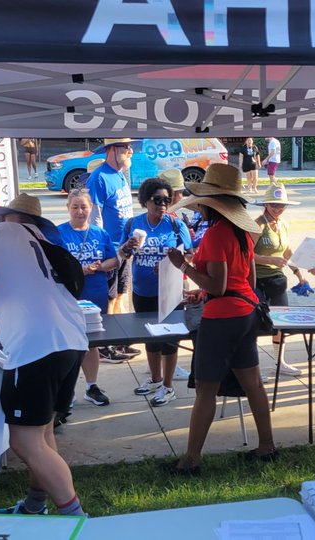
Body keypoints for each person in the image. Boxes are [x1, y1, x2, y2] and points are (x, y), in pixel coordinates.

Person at [0, 196, 89, 517]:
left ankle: (77, 520)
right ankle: (36, 506)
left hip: (35, 349)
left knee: (25, 442)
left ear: (7, 217)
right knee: (43, 433)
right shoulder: (42, 242)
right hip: (71, 341)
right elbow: (24, 309)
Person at [164, 163, 276, 473]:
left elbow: (218, 284)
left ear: (212, 203)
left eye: (202, 200)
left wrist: (183, 266)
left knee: (205, 389)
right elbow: (248, 281)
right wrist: (209, 291)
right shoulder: (242, 233)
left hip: (223, 317)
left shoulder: (215, 235)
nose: (198, 204)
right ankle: (267, 446)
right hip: (246, 312)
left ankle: (190, 459)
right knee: (253, 383)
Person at [120, 177, 194, 406]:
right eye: (157, 199)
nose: (163, 204)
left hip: (170, 293)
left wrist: (168, 264)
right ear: (145, 201)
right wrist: (126, 248)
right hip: (142, 292)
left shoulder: (175, 224)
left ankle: (168, 387)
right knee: (150, 338)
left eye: (167, 200)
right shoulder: (133, 224)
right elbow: (121, 255)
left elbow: (190, 255)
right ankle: (154, 379)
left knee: (169, 340)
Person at [58, 189, 118, 407]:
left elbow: (114, 259)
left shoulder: (100, 234)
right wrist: (77, 271)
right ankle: (67, 391)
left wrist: (99, 267)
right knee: (69, 344)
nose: (80, 211)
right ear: (68, 209)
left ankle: (91, 386)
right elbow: (52, 266)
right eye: (75, 207)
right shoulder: (58, 234)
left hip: (95, 295)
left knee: (91, 343)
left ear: (91, 208)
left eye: (84, 206)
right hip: (68, 298)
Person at [85, 139, 138, 343]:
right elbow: (94, 216)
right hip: (110, 250)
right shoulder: (99, 177)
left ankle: (121, 339)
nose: (130, 150)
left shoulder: (120, 174)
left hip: (126, 247)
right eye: (126, 147)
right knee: (110, 297)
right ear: (111, 150)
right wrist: (101, 249)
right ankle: (107, 343)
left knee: (122, 292)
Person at [252, 185, 306, 376]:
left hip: (277, 279)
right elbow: (246, 254)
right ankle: (253, 366)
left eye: (281, 205)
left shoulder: (284, 225)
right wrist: (269, 259)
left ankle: (280, 361)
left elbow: (288, 252)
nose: (278, 208)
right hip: (257, 279)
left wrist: (299, 273)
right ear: (265, 204)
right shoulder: (257, 225)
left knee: (281, 322)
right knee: (256, 323)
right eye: (274, 204)